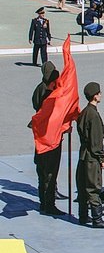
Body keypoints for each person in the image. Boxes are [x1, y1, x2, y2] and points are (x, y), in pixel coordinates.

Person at [76, 81, 104, 228]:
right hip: (92, 157)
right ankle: (97, 219)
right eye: (99, 93)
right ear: (95, 96)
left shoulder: (84, 112)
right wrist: (102, 158)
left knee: (83, 186)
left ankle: (83, 215)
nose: (101, 95)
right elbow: (96, 140)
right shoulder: (94, 116)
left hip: (83, 155)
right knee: (93, 187)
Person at [32, 61, 65, 216]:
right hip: (50, 137)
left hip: (41, 137)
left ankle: (44, 202)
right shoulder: (48, 92)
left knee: (43, 172)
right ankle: (49, 203)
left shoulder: (39, 89)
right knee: (49, 172)